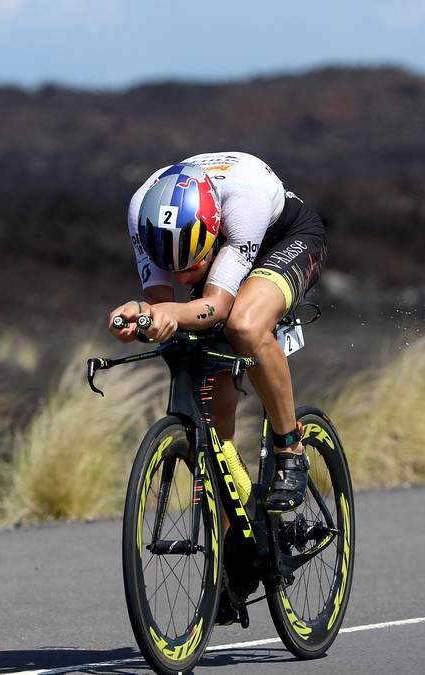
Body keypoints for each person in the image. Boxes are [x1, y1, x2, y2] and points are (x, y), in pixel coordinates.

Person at [107, 152, 326, 513]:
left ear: (211, 235)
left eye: (188, 268)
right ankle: (230, 552)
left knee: (243, 324)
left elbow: (217, 307)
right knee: (213, 431)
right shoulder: (141, 211)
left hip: (285, 239)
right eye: (170, 268)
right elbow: (164, 310)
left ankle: (290, 448)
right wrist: (141, 318)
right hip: (217, 245)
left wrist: (170, 311)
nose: (179, 280)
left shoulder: (245, 202)